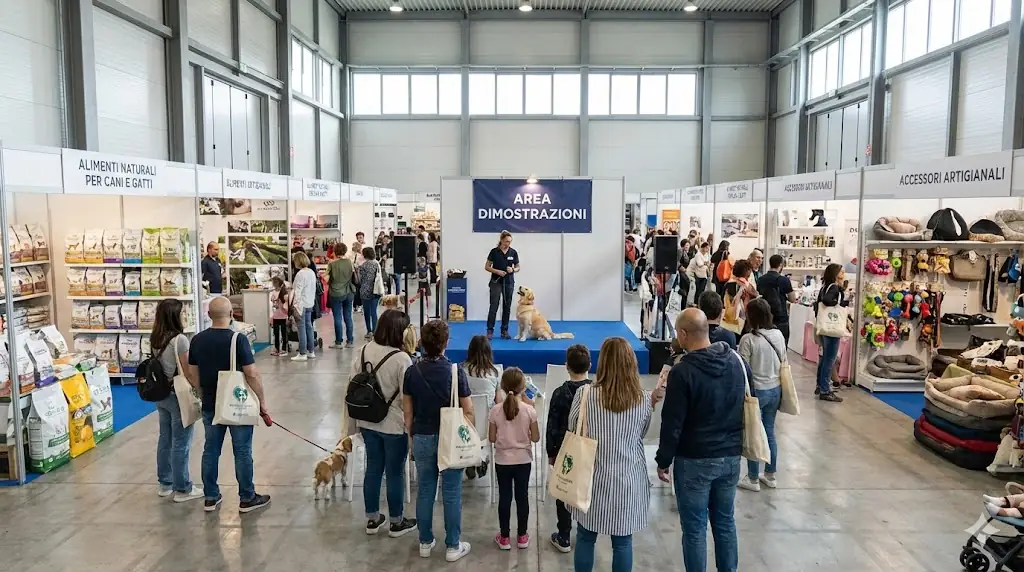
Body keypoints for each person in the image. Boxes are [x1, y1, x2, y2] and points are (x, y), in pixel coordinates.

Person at [656, 308, 746, 572]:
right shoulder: (736, 362)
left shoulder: (682, 372)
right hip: (730, 456)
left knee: (694, 529)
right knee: (725, 522)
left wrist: (663, 460)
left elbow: (672, 422)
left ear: (684, 334)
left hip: (694, 459)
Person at [570, 337, 661, 572]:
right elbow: (642, 433)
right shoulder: (642, 399)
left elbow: (573, 428)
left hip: (590, 479)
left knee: (585, 537)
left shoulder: (585, 394)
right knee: (622, 542)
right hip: (627, 481)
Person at [188, 296, 270, 513]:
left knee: (210, 449)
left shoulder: (197, 340)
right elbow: (251, 373)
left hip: (210, 403)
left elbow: (192, 372)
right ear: (232, 315)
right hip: (236, 404)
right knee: (242, 450)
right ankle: (246, 497)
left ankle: (210, 496)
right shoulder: (238, 339)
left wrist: (200, 391)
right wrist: (261, 400)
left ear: (208, 315)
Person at [402, 320, 473, 562]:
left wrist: (411, 437)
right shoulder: (455, 372)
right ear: (445, 343)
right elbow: (468, 410)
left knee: (425, 490)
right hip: (449, 438)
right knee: (452, 492)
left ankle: (425, 541)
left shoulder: (411, 371)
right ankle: (453, 545)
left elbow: (407, 411)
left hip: (422, 435)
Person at [353, 310, 417, 537]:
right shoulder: (402, 359)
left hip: (367, 420)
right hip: (393, 425)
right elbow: (407, 395)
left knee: (372, 469)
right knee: (394, 473)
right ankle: (396, 522)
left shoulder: (363, 350)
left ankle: (372, 519)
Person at [151, 299, 202, 502]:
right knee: (181, 441)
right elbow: (188, 371)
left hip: (161, 394)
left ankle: (165, 482)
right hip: (178, 395)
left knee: (165, 438)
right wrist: (199, 390)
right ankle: (183, 488)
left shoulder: (155, 337)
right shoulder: (180, 340)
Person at [545, 344, 592, 553]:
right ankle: (586, 531)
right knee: (586, 490)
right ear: (590, 365)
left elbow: (552, 426)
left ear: (566, 367)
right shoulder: (596, 393)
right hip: (590, 451)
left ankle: (563, 535)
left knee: (564, 491)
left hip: (565, 450)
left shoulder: (559, 393)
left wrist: (551, 452)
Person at [489, 367, 540, 550]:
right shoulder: (529, 410)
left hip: (502, 460)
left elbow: (492, 438)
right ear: (523, 387)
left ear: (502, 386)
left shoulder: (495, 411)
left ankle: (504, 537)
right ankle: (522, 536)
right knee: (522, 497)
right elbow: (535, 438)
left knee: (505, 497)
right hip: (523, 460)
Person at [737, 298, 785, 492]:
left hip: (756, 392)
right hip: (776, 389)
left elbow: (743, 369)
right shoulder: (778, 335)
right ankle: (771, 474)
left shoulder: (748, 339)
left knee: (753, 434)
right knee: (770, 431)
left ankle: (753, 477)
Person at [463, 334, 500, 480]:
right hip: (487, 426)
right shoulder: (494, 373)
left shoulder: (460, 371)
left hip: (465, 423)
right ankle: (482, 457)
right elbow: (499, 402)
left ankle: (471, 459)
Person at [815, 263, 847, 403]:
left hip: (824, 326)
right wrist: (837, 303)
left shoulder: (824, 287)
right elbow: (828, 301)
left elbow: (820, 303)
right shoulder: (834, 288)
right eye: (841, 271)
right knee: (830, 359)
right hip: (832, 328)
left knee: (824, 358)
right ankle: (825, 390)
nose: (843, 272)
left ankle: (820, 385)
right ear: (835, 273)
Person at [484, 230, 520, 340]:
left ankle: (504, 330)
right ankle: (490, 330)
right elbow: (487, 266)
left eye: (509, 242)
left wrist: (513, 269)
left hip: (508, 282)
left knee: (507, 306)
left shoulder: (513, 252)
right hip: (496, 281)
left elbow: (518, 267)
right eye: (506, 241)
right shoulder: (494, 252)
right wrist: (497, 271)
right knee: (493, 306)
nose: (507, 244)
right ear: (501, 240)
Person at [757, 254, 797, 346]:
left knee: (765, 345)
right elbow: (793, 299)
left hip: (764, 315)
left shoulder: (760, 279)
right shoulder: (783, 280)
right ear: (780, 265)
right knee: (781, 345)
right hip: (780, 317)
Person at [327, 243, 356, 348]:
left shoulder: (332, 264)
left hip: (336, 293)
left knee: (337, 317)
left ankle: (338, 342)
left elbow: (327, 278)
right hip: (349, 292)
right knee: (348, 317)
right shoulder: (349, 262)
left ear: (335, 251)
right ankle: (350, 341)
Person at [290, 252, 318, 361]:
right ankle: (311, 351)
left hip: (301, 304)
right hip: (310, 303)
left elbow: (297, 291)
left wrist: (294, 305)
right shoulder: (311, 272)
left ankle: (302, 353)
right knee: (309, 327)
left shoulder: (300, 274)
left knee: (301, 329)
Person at [722, 259, 759, 332]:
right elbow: (756, 297)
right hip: (743, 320)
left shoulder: (727, 284)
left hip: (729, 319)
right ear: (747, 271)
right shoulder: (747, 285)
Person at [356, 247, 382, 340]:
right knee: (374, 311)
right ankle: (375, 331)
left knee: (367, 312)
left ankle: (369, 331)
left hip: (364, 291)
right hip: (375, 291)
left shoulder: (362, 266)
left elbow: (358, 280)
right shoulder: (376, 264)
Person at [269, 276, 291, 357]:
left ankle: (283, 349)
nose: (273, 284)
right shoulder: (275, 292)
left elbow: (285, 301)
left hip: (282, 315)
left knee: (283, 333)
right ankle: (278, 349)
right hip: (277, 315)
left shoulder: (283, 292)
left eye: (274, 282)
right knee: (277, 333)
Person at [677, 238, 692, 303]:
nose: (688, 246)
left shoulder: (685, 252)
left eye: (688, 245)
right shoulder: (680, 251)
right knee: (684, 288)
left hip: (684, 272)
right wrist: (681, 267)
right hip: (681, 272)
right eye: (686, 245)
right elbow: (676, 261)